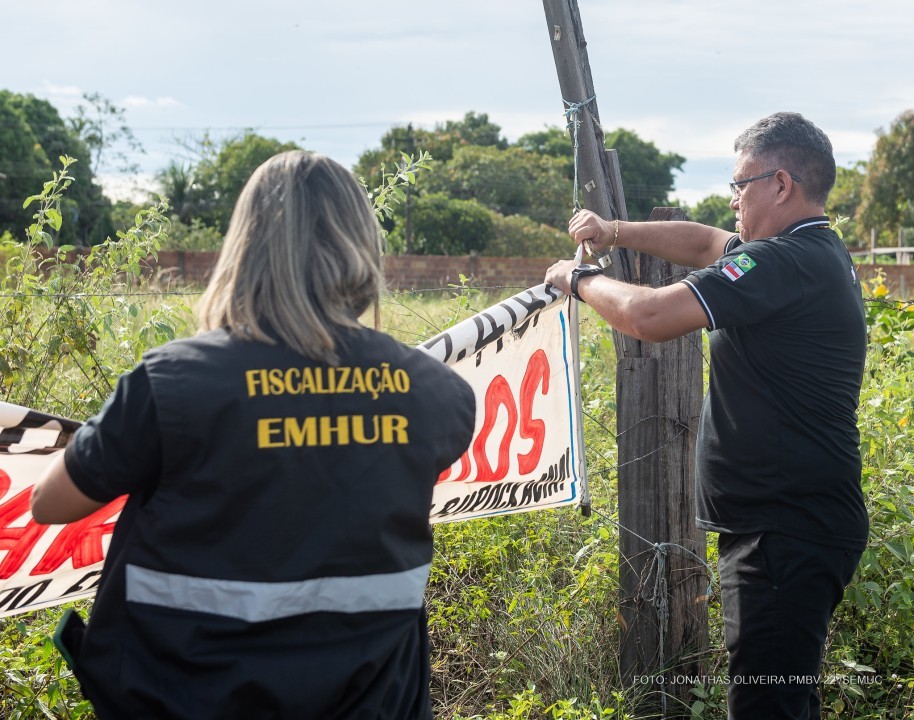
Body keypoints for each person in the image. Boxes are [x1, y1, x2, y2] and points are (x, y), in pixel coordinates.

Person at [31, 151, 476, 720]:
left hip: (179, 698)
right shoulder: (436, 394)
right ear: (362, 247)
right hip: (370, 703)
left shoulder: (172, 382)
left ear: (245, 248)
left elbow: (50, 503)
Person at [545, 112, 868, 720]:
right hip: (793, 525)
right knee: (786, 700)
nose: (733, 201)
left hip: (783, 532)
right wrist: (614, 230)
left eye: (740, 185)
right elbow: (702, 242)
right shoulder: (806, 253)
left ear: (781, 184)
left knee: (767, 708)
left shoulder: (782, 265)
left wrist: (580, 278)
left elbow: (650, 318)